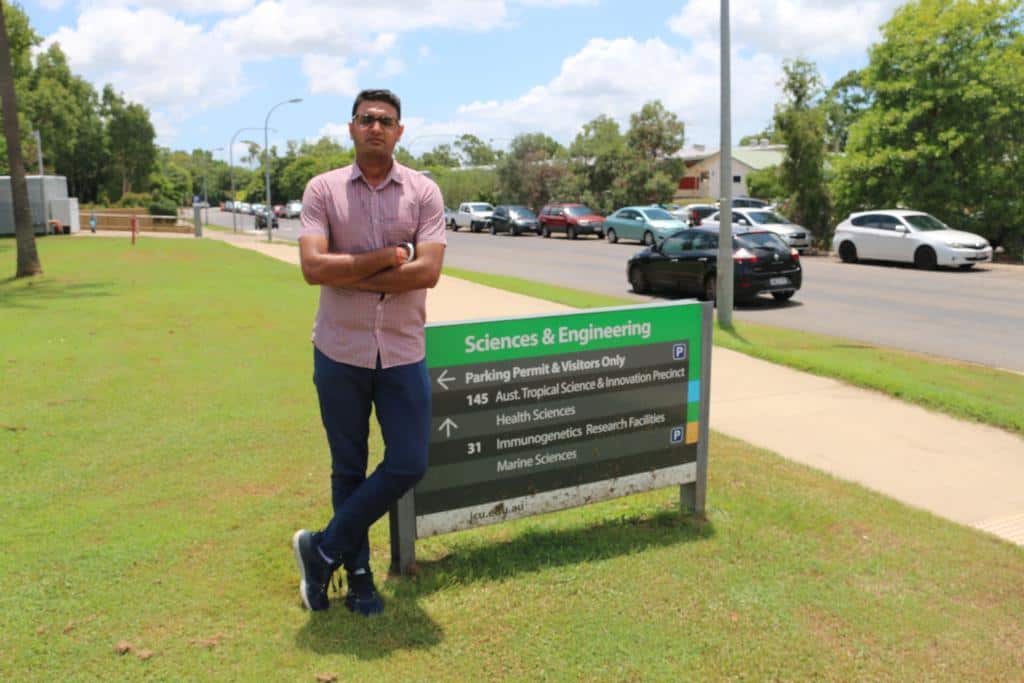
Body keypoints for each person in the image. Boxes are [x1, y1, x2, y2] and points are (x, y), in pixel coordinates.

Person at [292, 89, 446, 615]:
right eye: (366, 119)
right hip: (339, 351)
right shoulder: (323, 190)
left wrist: (349, 268)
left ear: (400, 131)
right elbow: (313, 269)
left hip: (402, 352)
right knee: (348, 466)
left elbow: (427, 273)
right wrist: (384, 260)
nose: (375, 127)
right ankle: (358, 577)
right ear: (351, 128)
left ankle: (325, 548)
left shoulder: (424, 193)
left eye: (385, 120)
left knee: (408, 462)